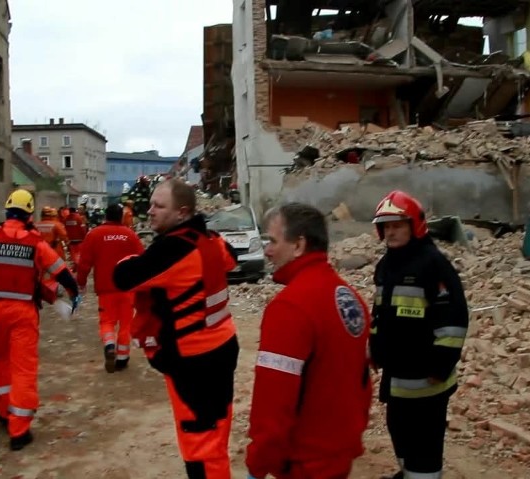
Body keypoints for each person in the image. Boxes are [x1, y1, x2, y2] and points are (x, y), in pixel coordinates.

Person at [113, 178, 239, 479]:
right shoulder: (209, 239)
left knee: (200, 444)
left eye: (159, 206)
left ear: (182, 213)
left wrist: (135, 257)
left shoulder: (172, 249)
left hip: (192, 360)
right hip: (222, 347)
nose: (151, 210)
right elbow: (231, 258)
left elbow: (123, 277)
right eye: (151, 204)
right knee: (215, 432)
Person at [245, 203, 372, 479]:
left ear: (299, 245)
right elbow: (361, 381)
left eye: (272, 241)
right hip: (339, 454)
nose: (266, 250)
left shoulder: (291, 307)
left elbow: (274, 401)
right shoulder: (349, 297)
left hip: (304, 463)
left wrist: (258, 463)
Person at [0, 189, 81, 451]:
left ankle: (5, 413)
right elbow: (61, 272)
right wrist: (74, 294)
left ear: (7, 211)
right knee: (23, 368)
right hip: (23, 312)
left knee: (0, 361)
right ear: (28, 214)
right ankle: (19, 430)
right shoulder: (36, 243)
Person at [369, 190, 469, 479]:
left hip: (428, 379)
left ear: (415, 225)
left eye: (397, 225)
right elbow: (380, 314)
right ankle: (409, 473)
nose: (391, 232)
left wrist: (441, 365)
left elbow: (453, 320)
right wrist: (374, 350)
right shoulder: (386, 266)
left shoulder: (432, 263)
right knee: (399, 432)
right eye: (386, 226)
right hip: (398, 377)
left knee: (424, 445)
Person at [77, 203, 144, 373]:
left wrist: (81, 282)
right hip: (127, 288)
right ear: (121, 216)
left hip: (105, 288)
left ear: (105, 216)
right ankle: (122, 359)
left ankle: (109, 345)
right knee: (126, 323)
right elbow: (142, 260)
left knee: (107, 321)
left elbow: (84, 263)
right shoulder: (130, 234)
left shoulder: (95, 234)